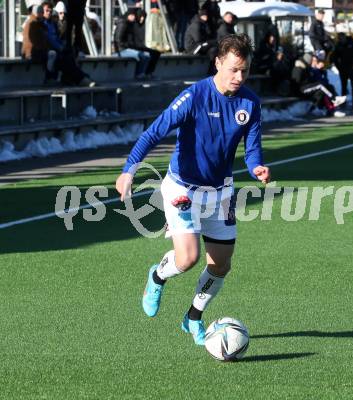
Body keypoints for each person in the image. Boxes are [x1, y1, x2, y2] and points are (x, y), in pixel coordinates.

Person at [115, 34, 271, 346]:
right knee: (187, 259)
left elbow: (253, 150)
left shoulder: (250, 103)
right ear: (218, 63)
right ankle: (157, 276)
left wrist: (257, 167)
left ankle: (193, 317)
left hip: (222, 193)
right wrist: (128, 169)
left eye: (245, 71)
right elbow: (155, 131)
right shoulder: (195, 96)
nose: (239, 77)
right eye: (233, 69)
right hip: (182, 190)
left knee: (221, 265)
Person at [114, 9, 158, 80]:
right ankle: (139, 74)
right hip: (122, 49)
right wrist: (127, 46)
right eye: (131, 16)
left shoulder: (130, 24)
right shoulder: (123, 23)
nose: (133, 17)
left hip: (127, 48)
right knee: (144, 56)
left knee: (149, 54)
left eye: (134, 16)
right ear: (128, 15)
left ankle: (145, 73)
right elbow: (118, 39)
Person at [330, 33, 353, 110]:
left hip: (352, 68)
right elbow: (334, 57)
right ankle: (343, 103)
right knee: (343, 86)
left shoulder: (352, 44)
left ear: (345, 37)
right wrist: (338, 67)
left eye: (342, 38)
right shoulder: (338, 45)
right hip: (343, 68)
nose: (341, 39)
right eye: (339, 38)